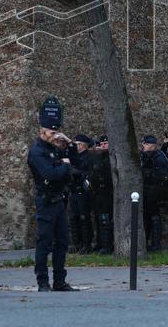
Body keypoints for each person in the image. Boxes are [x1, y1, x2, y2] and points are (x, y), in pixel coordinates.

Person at [27, 96, 77, 291]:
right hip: (46, 201)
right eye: (52, 133)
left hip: (58, 201)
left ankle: (59, 280)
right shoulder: (37, 151)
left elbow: (75, 163)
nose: (55, 136)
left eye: (57, 132)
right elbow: (51, 174)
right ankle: (42, 282)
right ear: (42, 132)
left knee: (62, 242)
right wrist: (65, 166)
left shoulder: (54, 149)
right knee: (44, 243)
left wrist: (70, 144)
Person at [140, 134, 168, 251]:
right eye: (143, 143)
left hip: (156, 191)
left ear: (152, 146)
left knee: (155, 218)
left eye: (146, 144)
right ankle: (145, 241)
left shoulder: (159, 157)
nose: (144, 146)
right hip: (145, 191)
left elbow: (163, 176)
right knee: (146, 218)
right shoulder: (143, 156)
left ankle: (156, 244)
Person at [68, 134, 94, 254]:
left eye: (78, 144)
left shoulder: (88, 157)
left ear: (83, 145)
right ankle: (76, 243)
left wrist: (76, 172)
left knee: (84, 218)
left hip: (83, 191)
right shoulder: (74, 157)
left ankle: (86, 244)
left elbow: (88, 173)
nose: (76, 146)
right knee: (73, 218)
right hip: (73, 190)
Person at [89, 135, 114, 254]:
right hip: (98, 192)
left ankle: (107, 245)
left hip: (108, 193)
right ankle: (100, 243)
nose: (103, 146)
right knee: (99, 219)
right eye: (102, 144)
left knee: (106, 220)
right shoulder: (97, 158)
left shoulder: (112, 158)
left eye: (106, 144)